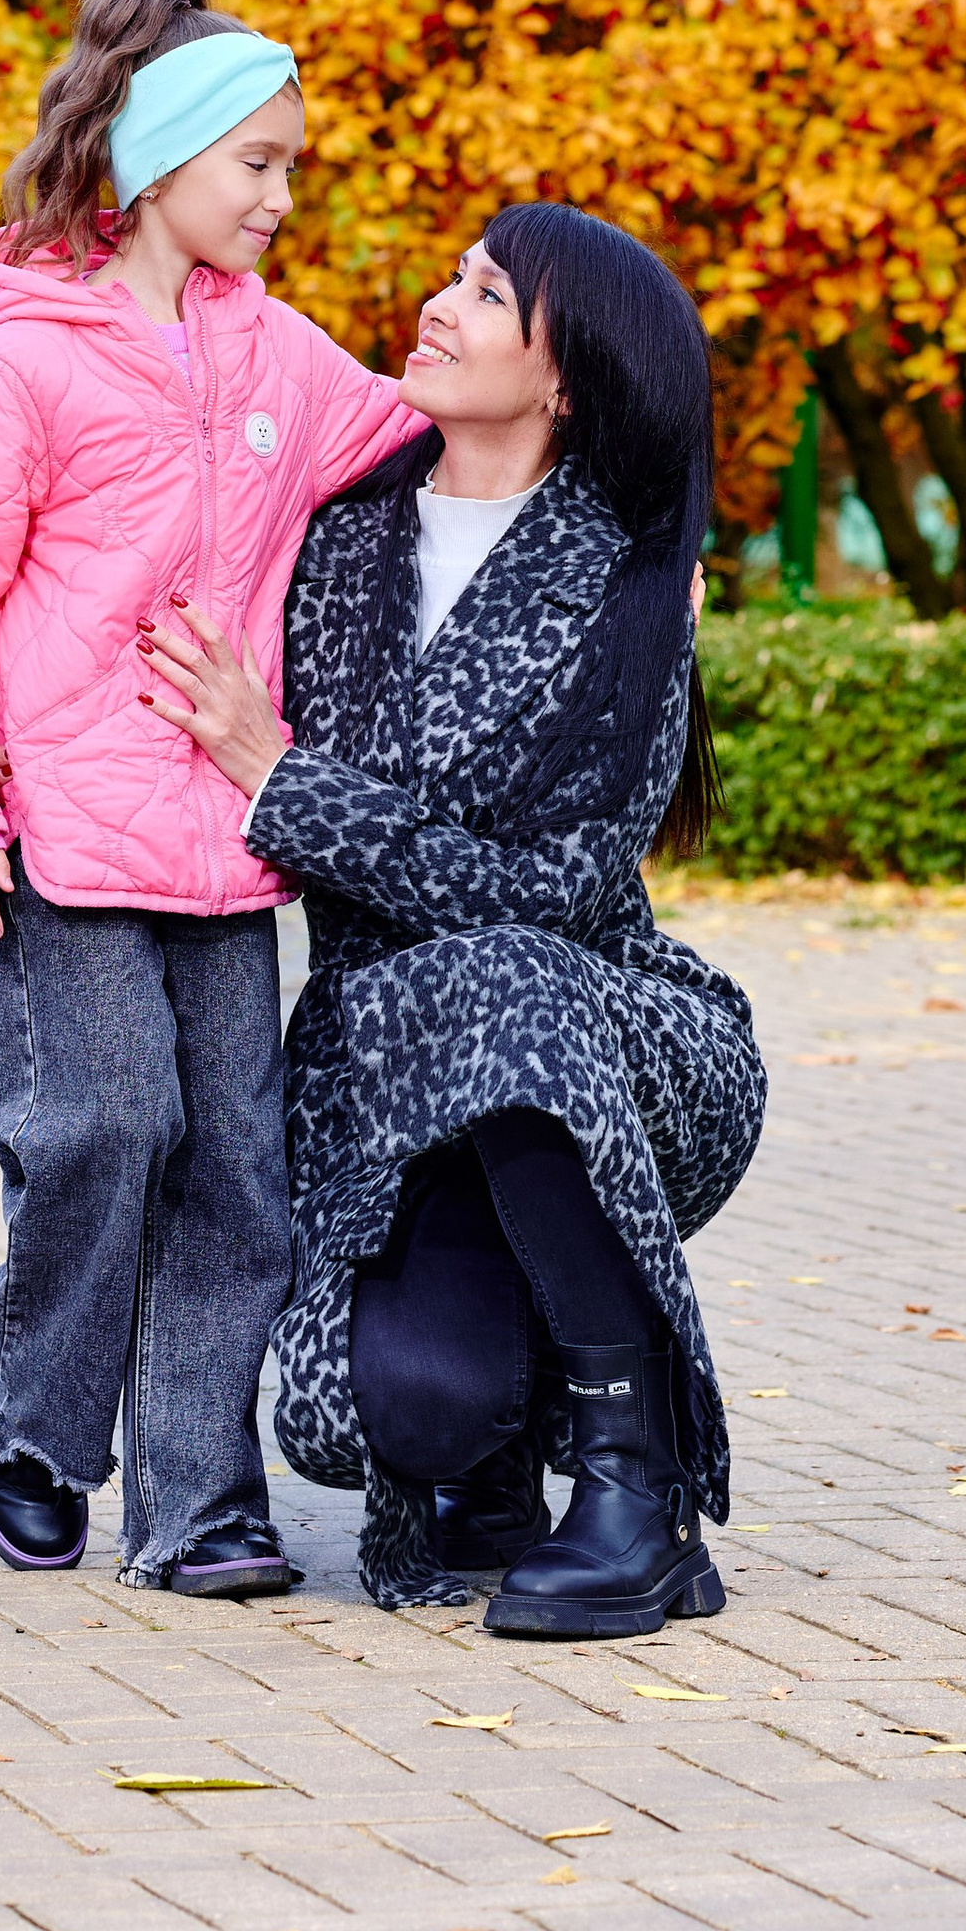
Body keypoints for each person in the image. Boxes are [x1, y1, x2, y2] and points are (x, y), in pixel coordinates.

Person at [0, 0, 425, 1597]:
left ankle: (199, 1503)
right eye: (257, 163)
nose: (280, 197)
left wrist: (607, 528)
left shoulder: (280, 360)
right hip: (61, 836)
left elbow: (421, 441)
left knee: (236, 1170)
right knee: (105, 1127)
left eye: (290, 167)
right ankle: (36, 1422)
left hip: (228, 845)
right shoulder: (27, 363)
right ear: (158, 157)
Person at [143, 204, 767, 1633]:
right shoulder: (333, 537)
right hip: (384, 1072)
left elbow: (551, 896)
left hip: (607, 1038)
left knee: (505, 972)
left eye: (488, 296)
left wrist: (284, 783)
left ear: (566, 379)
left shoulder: (631, 580)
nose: (439, 304)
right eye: (456, 277)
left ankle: (638, 1491)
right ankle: (491, 1459)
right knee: (398, 1414)